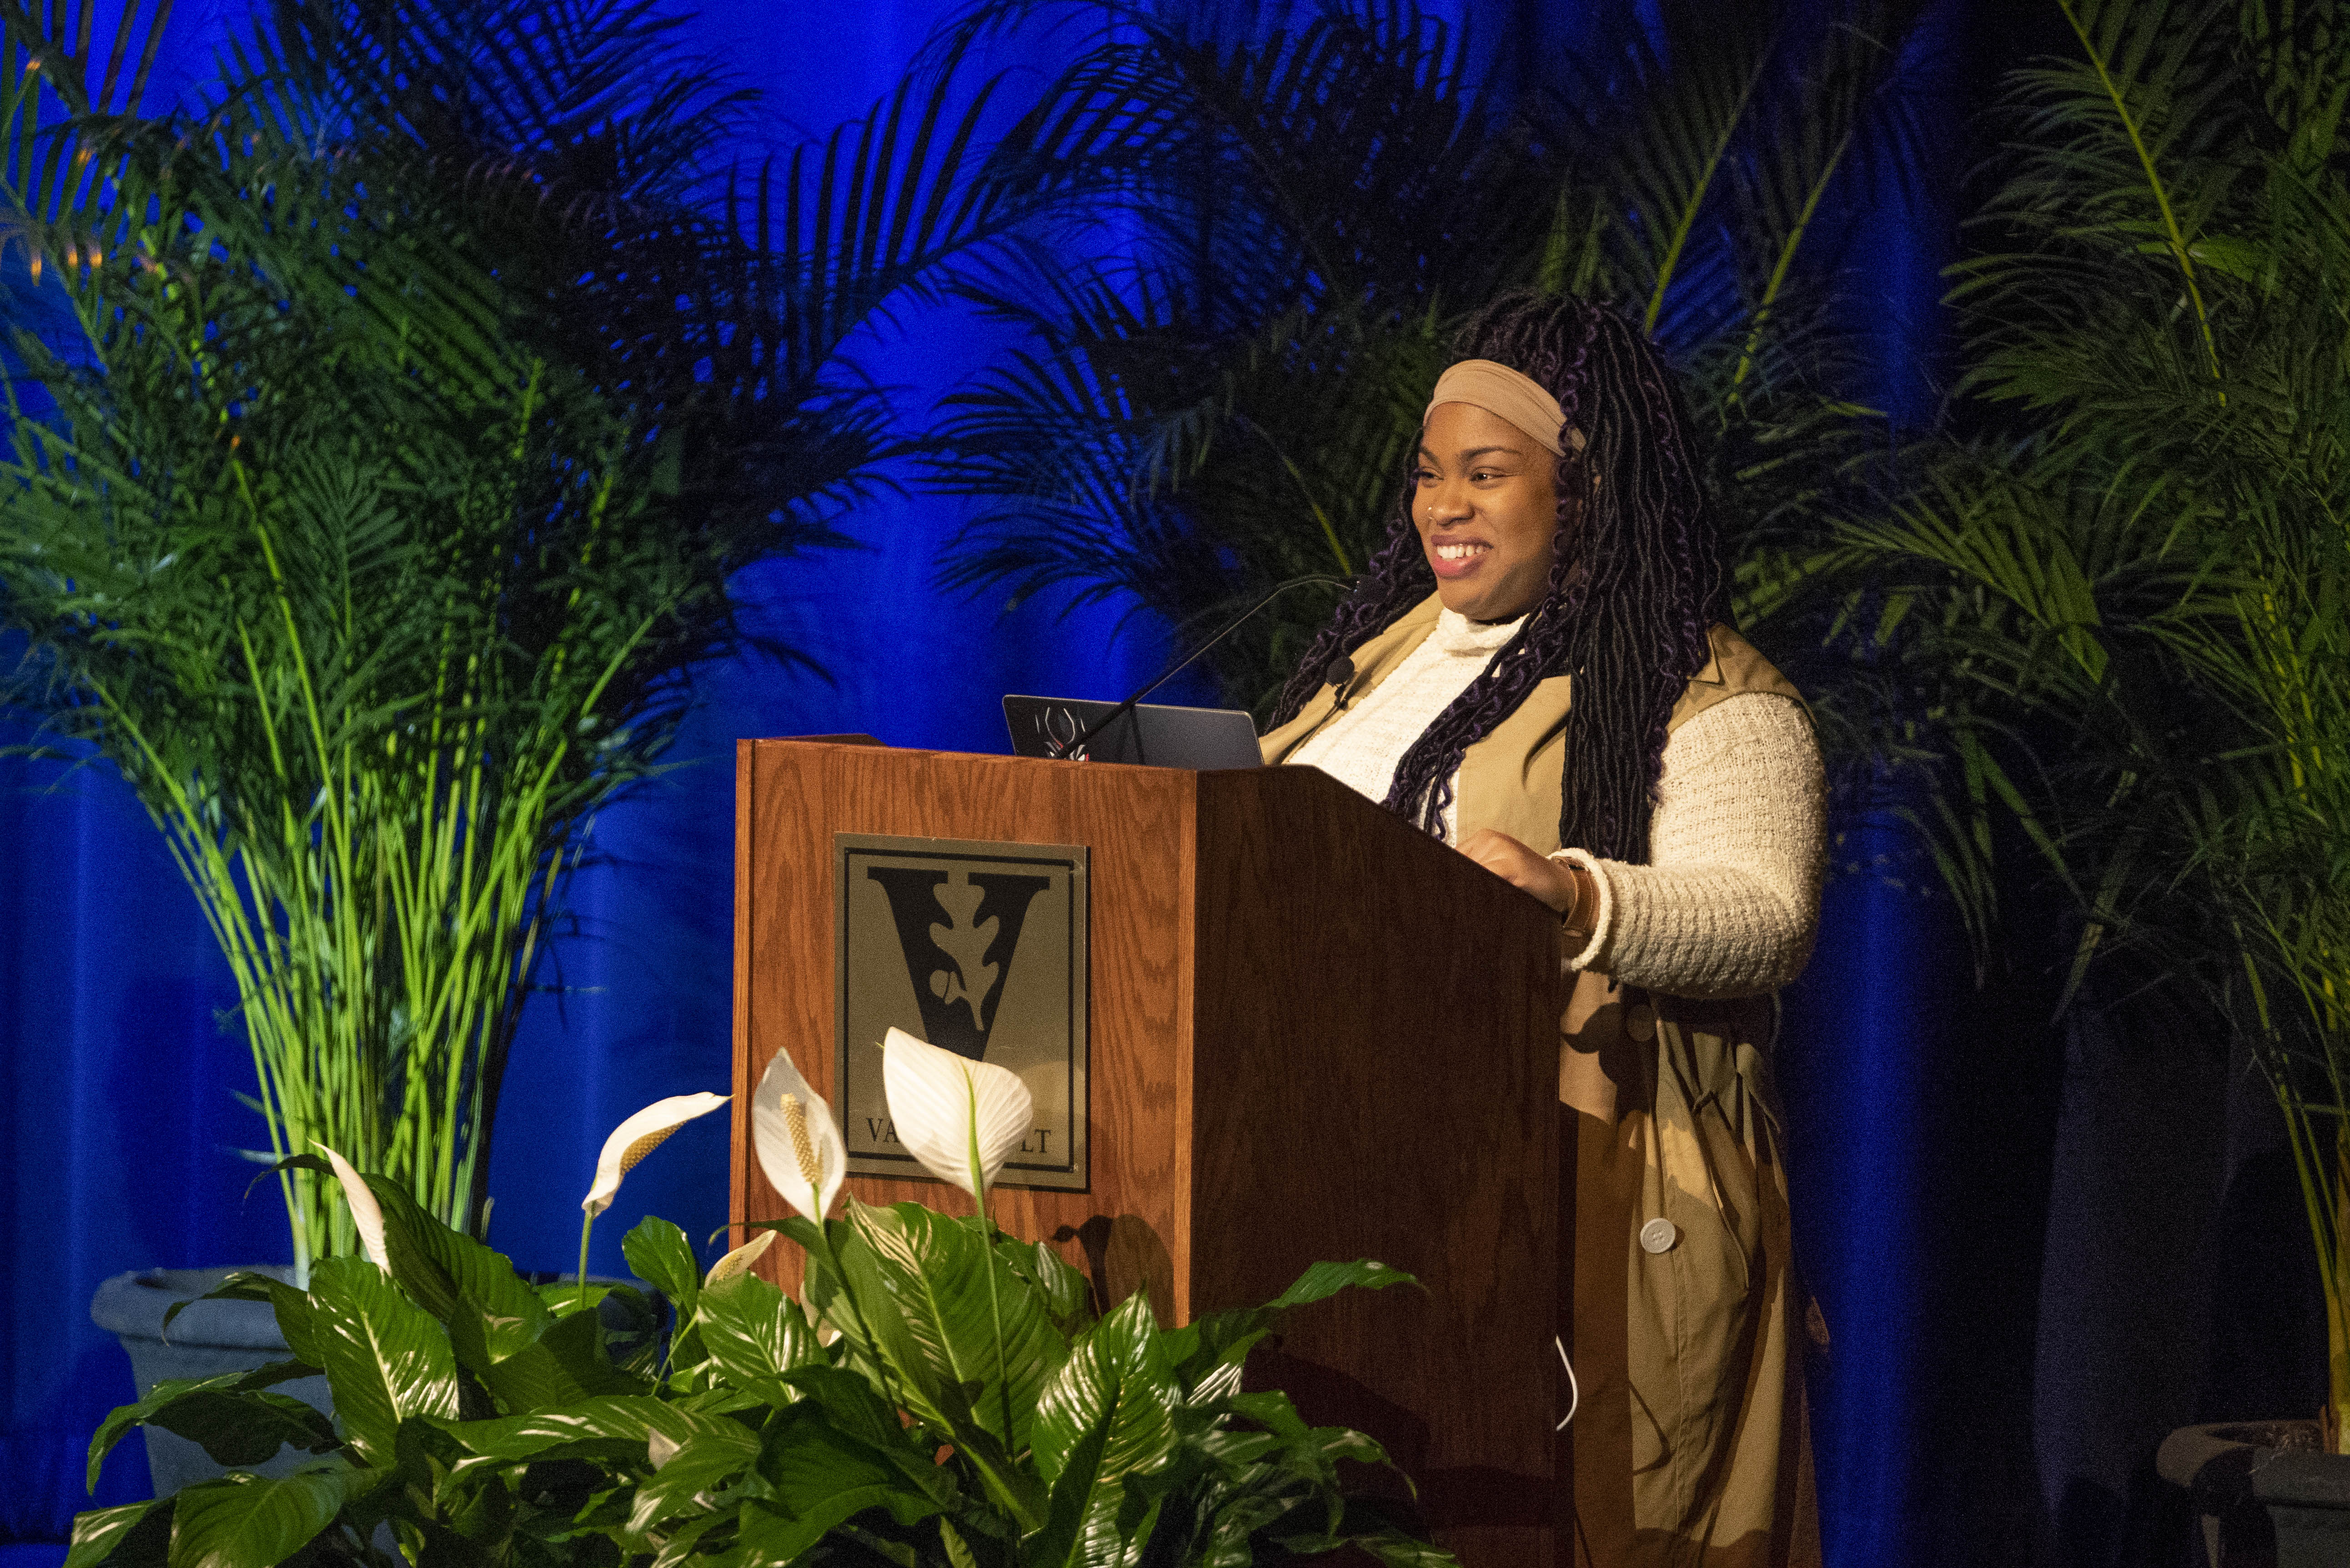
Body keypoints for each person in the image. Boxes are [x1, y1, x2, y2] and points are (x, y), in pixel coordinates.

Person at [1258, 290, 1827, 1568]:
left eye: (1486, 473)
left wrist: (1580, 895)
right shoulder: (1375, 664)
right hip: (1342, 1179)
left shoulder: (1711, 696)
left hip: (1589, 1195)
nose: (1441, 505)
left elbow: (1766, 916)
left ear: (1587, 493)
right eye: (1427, 474)